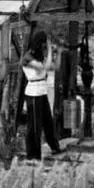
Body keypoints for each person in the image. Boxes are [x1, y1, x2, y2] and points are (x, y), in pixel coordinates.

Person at [22, 31, 60, 160]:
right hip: (33, 93)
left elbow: (55, 67)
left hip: (42, 92)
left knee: (48, 121)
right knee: (34, 125)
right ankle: (33, 154)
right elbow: (44, 68)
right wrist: (49, 50)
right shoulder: (28, 58)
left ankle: (54, 146)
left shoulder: (38, 57)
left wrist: (58, 53)